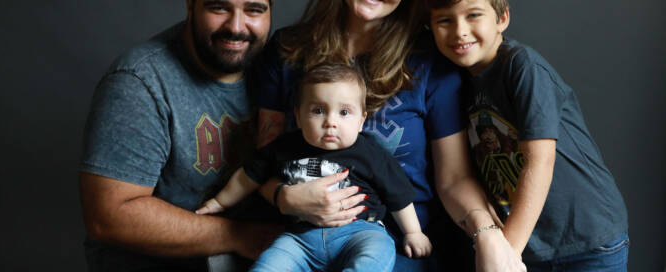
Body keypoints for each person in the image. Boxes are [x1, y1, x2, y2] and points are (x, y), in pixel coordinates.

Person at [253, 0, 525, 271]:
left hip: (399, 245)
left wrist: (487, 232)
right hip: (301, 241)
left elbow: (454, 178)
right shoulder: (287, 49)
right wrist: (284, 197)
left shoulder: (431, 58)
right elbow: (263, 162)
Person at [427, 0, 629, 270]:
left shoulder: (522, 66)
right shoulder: (453, 83)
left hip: (587, 238)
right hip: (530, 246)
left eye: (473, 15)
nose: (459, 31)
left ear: (502, 19)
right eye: (444, 21)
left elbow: (539, 161)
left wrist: (507, 252)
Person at [78, 0, 279, 271]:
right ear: (190, 6)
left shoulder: (275, 71)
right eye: (219, 8)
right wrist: (241, 236)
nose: (236, 27)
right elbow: (109, 216)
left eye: (254, 10)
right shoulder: (139, 82)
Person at [197, 63, 432, 271]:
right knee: (270, 262)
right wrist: (220, 202)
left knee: (377, 253)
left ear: (361, 120)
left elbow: (398, 195)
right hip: (299, 238)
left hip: (360, 231)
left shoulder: (370, 153)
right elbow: (248, 176)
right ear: (298, 117)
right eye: (318, 111)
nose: (330, 122)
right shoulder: (284, 147)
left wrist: (413, 232)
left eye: (344, 112)